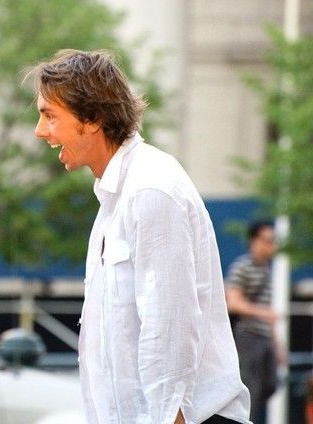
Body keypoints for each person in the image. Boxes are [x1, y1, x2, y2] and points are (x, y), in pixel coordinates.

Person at [24, 49, 250, 424]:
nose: (40, 130)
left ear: (92, 118)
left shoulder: (149, 189)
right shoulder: (118, 195)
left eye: (50, 115)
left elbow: (169, 327)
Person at [225, 220, 282, 424]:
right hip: (248, 336)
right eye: (268, 240)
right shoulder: (242, 267)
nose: (271, 245)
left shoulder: (266, 270)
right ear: (254, 241)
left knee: (271, 384)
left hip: (264, 337)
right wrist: (263, 314)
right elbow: (233, 303)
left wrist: (277, 345)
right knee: (251, 388)